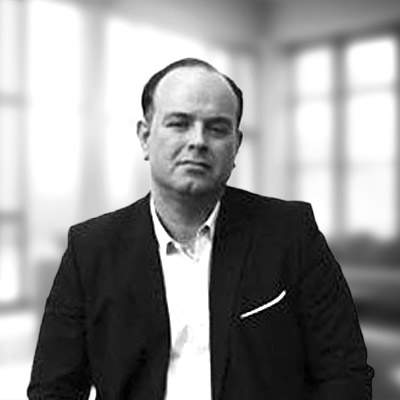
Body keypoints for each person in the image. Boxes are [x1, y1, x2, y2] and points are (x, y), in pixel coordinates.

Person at [28, 58, 373, 400]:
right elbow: (53, 389)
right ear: (145, 137)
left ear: (236, 145)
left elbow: (345, 373)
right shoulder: (90, 249)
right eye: (179, 124)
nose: (198, 141)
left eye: (217, 128)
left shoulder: (291, 233)